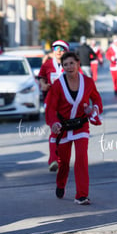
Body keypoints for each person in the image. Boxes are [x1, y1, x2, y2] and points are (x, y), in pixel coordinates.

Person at [45, 52, 103, 205]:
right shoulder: (58, 84)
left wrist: (93, 109)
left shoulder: (88, 82)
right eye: (65, 64)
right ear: (62, 67)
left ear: (78, 64)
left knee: (81, 159)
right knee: (64, 162)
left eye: (72, 63)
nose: (69, 67)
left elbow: (96, 98)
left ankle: (81, 195)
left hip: (81, 126)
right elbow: (51, 108)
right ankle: (61, 183)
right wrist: (54, 123)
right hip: (63, 127)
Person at [38, 39, 69, 172]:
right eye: (56, 48)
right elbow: (41, 77)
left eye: (62, 49)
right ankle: (53, 160)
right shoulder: (47, 64)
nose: (58, 51)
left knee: (65, 133)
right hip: (51, 102)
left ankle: (61, 159)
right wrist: (43, 85)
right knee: (55, 130)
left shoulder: (70, 64)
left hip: (67, 103)